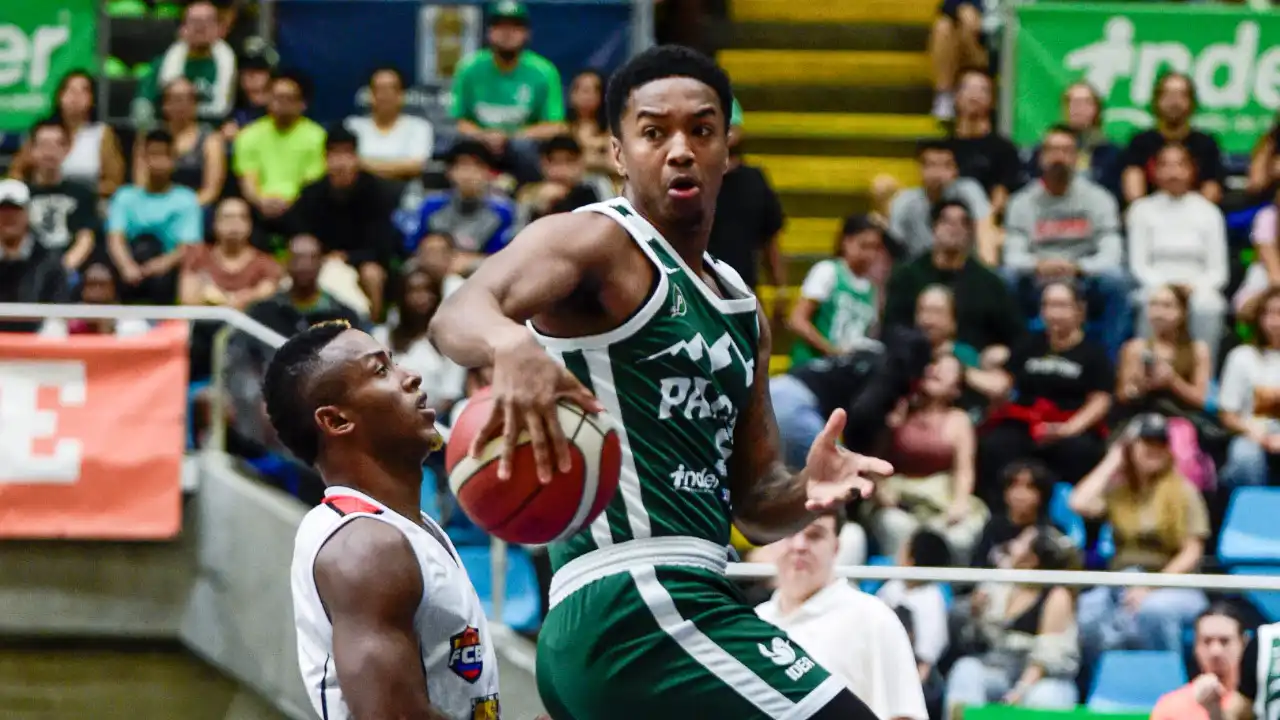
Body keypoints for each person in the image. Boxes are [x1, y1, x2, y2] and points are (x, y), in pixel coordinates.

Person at [429, 45, 893, 720]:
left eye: (701, 131)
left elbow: (754, 506)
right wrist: (508, 345)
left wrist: (806, 492)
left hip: (680, 596)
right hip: (635, 600)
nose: (680, 150)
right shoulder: (597, 242)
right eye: (654, 133)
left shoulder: (740, 307)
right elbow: (459, 311)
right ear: (618, 153)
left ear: (726, 150)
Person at [267, 322, 501, 719]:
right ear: (337, 421)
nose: (411, 376)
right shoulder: (366, 547)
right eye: (381, 371)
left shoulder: (403, 528)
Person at [755, 511, 928, 720]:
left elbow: (905, 716)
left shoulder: (873, 618)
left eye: (815, 535)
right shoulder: (754, 623)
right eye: (790, 532)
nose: (799, 545)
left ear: (836, 547)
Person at [1070, 412, 1210, 664]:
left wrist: (1151, 586)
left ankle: (1166, 683)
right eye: (1146, 442)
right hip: (1122, 581)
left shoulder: (1183, 491)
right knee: (1087, 611)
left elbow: (1192, 552)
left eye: (1160, 444)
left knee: (1153, 611)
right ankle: (1101, 684)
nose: (1154, 450)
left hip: (1174, 584)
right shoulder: (1119, 492)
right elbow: (1078, 502)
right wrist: (1114, 460)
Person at [946, 528, 1079, 717]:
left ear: (1032, 559)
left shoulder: (1057, 595)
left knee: (1042, 698)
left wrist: (1019, 692)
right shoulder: (1004, 585)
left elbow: (1048, 656)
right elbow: (983, 640)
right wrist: (977, 612)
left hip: (1045, 678)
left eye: (1020, 542)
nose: (1012, 544)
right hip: (1003, 671)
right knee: (966, 669)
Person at [869, 353, 988, 563]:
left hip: (941, 496)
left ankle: (945, 590)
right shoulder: (900, 409)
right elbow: (875, 458)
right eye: (935, 365)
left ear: (956, 389)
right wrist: (880, 489)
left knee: (960, 535)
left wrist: (959, 503)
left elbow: (964, 469)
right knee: (894, 525)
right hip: (900, 495)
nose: (937, 371)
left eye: (948, 369)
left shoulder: (959, 420)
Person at [1126, 143, 1228, 364]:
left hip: (1197, 284)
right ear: (1155, 171)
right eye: (1166, 166)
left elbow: (1218, 270)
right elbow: (1138, 265)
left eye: (1180, 165)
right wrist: (1166, 288)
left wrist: (1194, 288)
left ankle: (1204, 375)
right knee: (1151, 303)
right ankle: (1145, 370)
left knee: (1210, 306)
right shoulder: (1141, 210)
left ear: (1192, 171)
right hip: (1155, 283)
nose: (1173, 172)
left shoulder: (1209, 211)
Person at [451, 0, 566, 183]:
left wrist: (509, 137)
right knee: (456, 144)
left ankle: (528, 196)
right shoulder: (469, 68)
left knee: (523, 147)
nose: (507, 33)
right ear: (489, 32)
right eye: (500, 26)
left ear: (527, 33)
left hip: (523, 147)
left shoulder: (544, 71)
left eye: (515, 27)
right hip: (480, 143)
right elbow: (459, 121)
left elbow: (554, 126)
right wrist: (484, 136)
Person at [106, 130, 203, 304]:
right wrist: (127, 266)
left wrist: (160, 265)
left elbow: (188, 247)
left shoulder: (186, 199)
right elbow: (115, 239)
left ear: (174, 160)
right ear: (143, 159)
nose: (158, 162)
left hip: (168, 270)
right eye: (152, 155)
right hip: (129, 266)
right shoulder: (124, 196)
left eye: (164, 155)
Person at [9, 71, 125, 199]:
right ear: (60, 95)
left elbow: (114, 181)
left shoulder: (101, 133)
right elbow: (16, 172)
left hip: (88, 201)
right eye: (70, 90)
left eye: (83, 91)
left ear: (92, 98)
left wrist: (81, 193)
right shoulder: (45, 131)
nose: (75, 97)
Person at [787, 215, 881, 365]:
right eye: (864, 246)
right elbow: (797, 320)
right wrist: (830, 350)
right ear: (846, 242)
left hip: (844, 373)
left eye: (875, 248)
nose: (869, 255)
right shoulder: (828, 271)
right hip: (813, 365)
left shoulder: (871, 290)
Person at [133, 77, 226, 208]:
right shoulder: (149, 136)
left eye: (188, 99)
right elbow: (140, 182)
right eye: (175, 99)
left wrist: (181, 209)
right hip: (153, 204)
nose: (181, 105)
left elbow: (211, 191)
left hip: (195, 207)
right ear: (164, 104)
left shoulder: (210, 139)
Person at [1151, 604, 1251, 720]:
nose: (1215, 652)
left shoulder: (1258, 704)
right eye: (1206, 641)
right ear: (1195, 646)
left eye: (1225, 641)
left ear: (1244, 643)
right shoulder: (1171, 706)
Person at [23, 119, 97, 271]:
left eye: (57, 144)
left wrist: (63, 268)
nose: (50, 152)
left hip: (69, 267)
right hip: (26, 269)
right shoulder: (18, 193)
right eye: (43, 144)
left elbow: (86, 238)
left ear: (68, 148)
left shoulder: (82, 193)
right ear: (32, 149)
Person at [0, 179, 71, 333]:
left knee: (55, 329)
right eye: (3, 210)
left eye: (15, 210)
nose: (8, 217)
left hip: (35, 342)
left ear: (27, 213)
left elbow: (59, 304)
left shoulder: (49, 260)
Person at [345, 67, 434, 184]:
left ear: (401, 95)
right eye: (379, 89)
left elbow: (417, 166)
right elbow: (345, 163)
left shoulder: (419, 127)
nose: (385, 95)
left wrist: (363, 165)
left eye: (391, 89)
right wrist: (398, 166)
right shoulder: (352, 126)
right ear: (369, 94)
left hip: (406, 193)